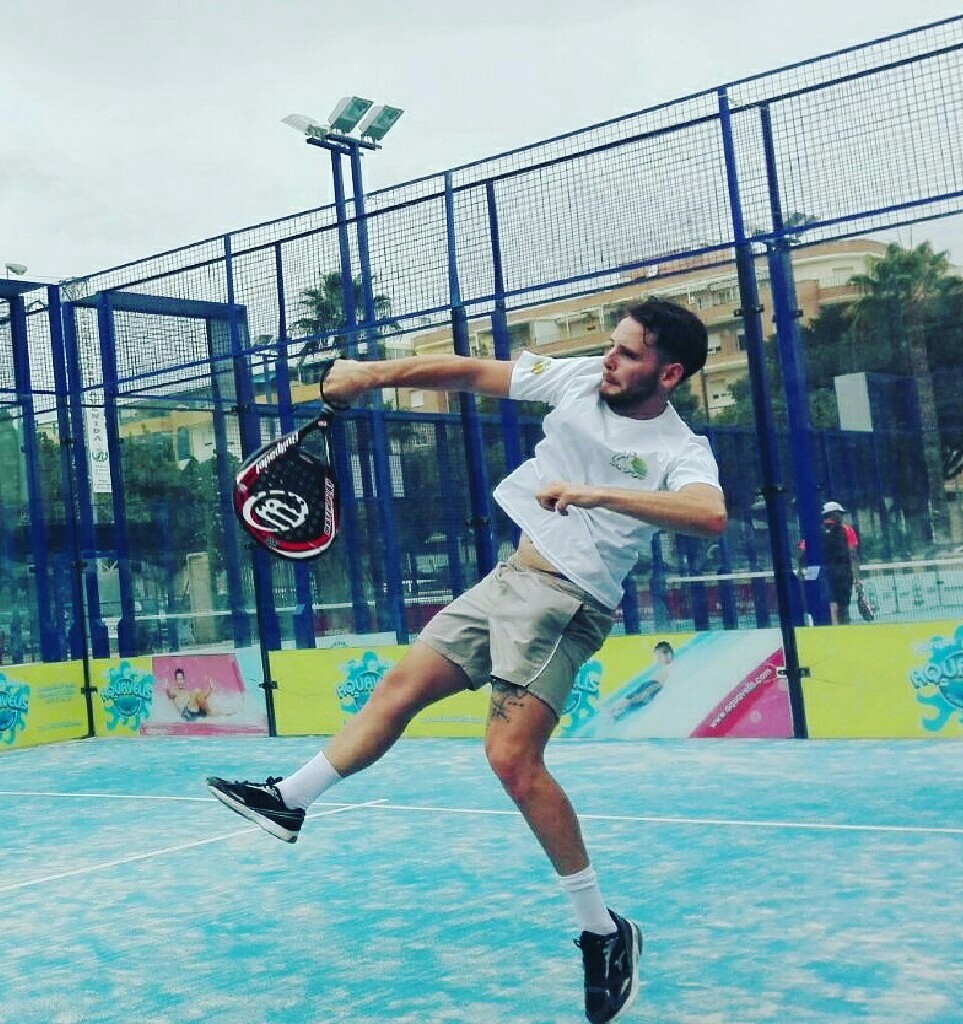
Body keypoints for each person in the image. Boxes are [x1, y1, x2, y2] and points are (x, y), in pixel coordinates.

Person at [207, 298, 727, 1024]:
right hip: (511, 579)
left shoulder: (679, 449)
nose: (609, 360)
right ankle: (290, 800)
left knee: (511, 758)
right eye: (612, 346)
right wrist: (372, 374)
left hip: (565, 603)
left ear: (668, 374)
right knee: (400, 686)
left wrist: (596, 493)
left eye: (628, 354)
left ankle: (603, 932)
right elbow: (473, 372)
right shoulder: (579, 379)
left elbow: (709, 513)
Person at [799, 500, 861, 624]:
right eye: (840, 513)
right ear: (833, 514)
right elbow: (853, 555)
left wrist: (801, 569)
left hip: (824, 573)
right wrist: (857, 578)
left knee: (832, 604)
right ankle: (843, 628)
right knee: (842, 605)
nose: (842, 516)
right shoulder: (847, 530)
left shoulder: (815, 531)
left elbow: (802, 552)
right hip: (843, 573)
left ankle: (834, 627)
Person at [610, 640, 675, 719]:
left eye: (659, 657)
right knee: (629, 702)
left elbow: (659, 684)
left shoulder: (668, 668)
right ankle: (613, 711)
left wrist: (646, 692)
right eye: (657, 657)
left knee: (630, 701)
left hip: (650, 687)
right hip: (648, 686)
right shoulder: (667, 667)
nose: (658, 660)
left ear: (668, 655)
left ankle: (612, 711)